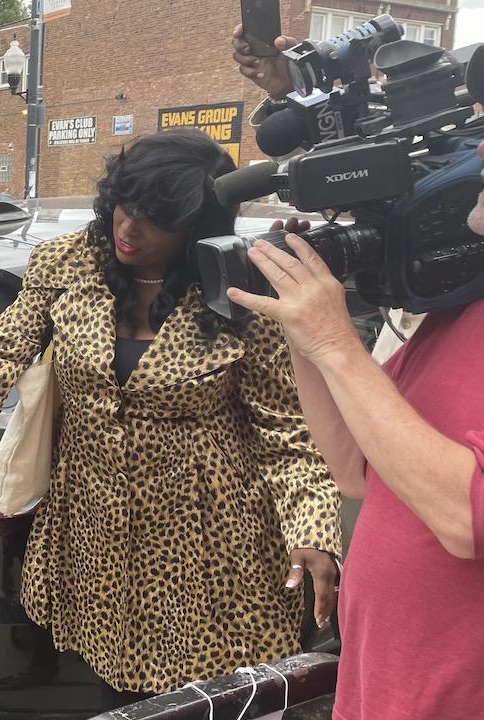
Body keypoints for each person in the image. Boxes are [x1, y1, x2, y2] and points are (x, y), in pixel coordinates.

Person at [0, 129, 342, 710]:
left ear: (197, 225)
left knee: (202, 697)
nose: (129, 228)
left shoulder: (242, 290)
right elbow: (2, 346)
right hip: (91, 534)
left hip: (212, 549)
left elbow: (289, 433)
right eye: (125, 204)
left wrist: (312, 532)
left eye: (156, 219)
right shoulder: (69, 262)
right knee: (106, 687)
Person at [233, 26, 484, 720]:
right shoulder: (458, 312)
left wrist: (339, 345)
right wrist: (305, 333)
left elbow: (465, 519)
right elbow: (356, 468)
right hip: (377, 694)